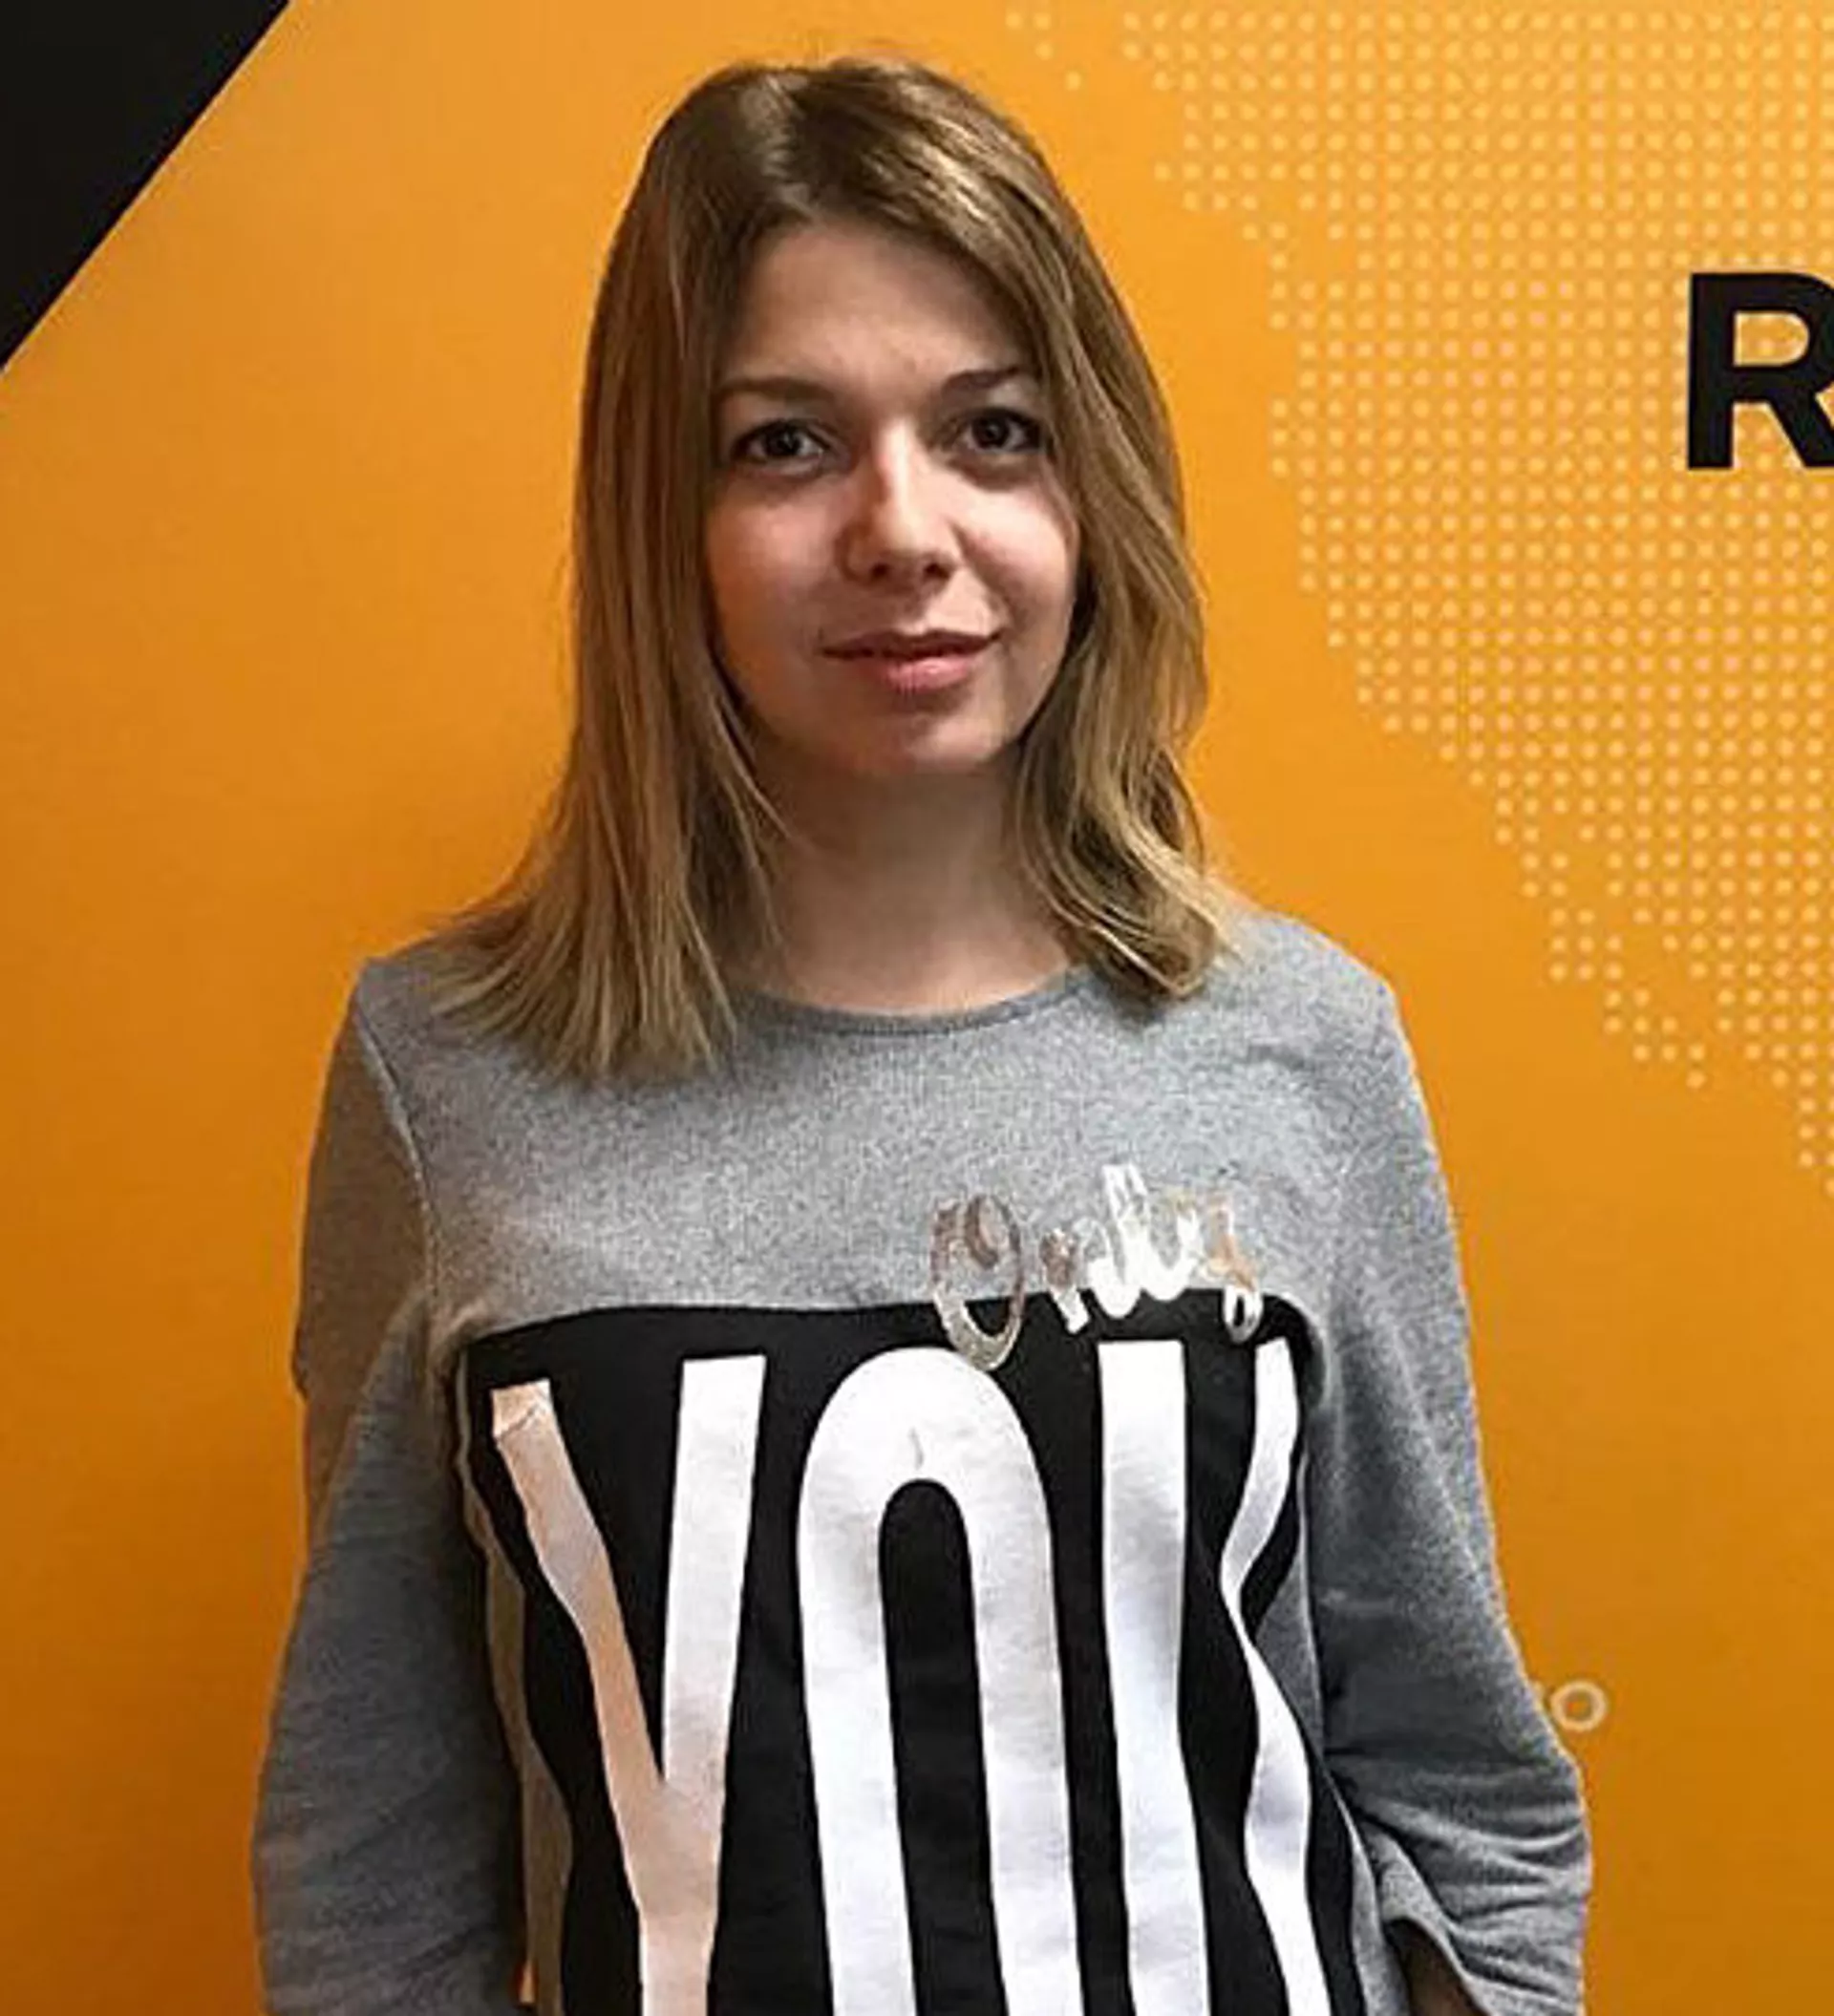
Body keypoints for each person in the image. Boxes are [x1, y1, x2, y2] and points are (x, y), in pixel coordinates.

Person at [250, 51, 1590, 2016]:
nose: (903, 526)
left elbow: (1464, 1779)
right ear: (664, 513)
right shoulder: (448, 1077)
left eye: (992, 431)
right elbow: (377, 1849)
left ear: (1091, 490)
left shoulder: (1298, 1048)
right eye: (787, 442)